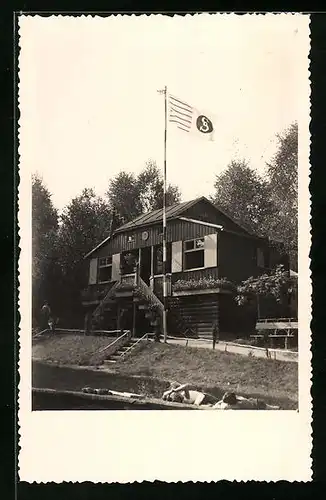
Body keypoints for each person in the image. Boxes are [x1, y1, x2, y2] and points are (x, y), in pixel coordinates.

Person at [213, 392, 279, 410]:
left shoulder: (236, 406)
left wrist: (217, 404)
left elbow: (223, 407)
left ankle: (278, 408)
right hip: (256, 401)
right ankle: (277, 407)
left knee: (272, 409)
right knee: (272, 407)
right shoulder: (239, 398)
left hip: (258, 405)